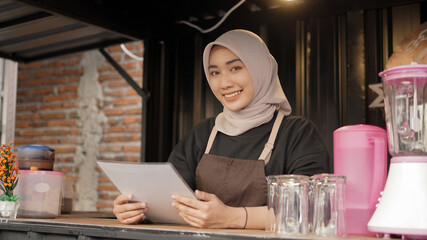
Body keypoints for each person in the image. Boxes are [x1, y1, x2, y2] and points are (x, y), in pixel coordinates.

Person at [113, 29, 330, 229]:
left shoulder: (297, 133)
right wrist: (138, 210)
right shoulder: (203, 134)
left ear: (260, 69)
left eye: (235, 68)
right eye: (215, 73)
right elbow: (170, 200)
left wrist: (230, 217)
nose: (224, 83)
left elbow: (309, 211)